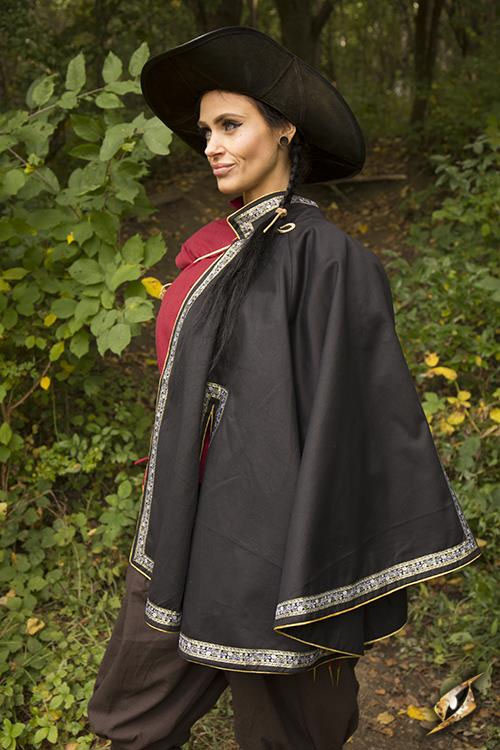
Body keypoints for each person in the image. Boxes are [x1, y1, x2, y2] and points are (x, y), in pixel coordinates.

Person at [87, 26, 482, 750]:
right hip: (182, 523)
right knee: (135, 717)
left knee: (293, 728)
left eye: (230, 125)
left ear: (284, 129)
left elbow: (358, 417)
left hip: (278, 545)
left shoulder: (332, 262)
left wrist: (308, 551)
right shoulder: (212, 252)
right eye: (206, 131)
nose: (212, 146)